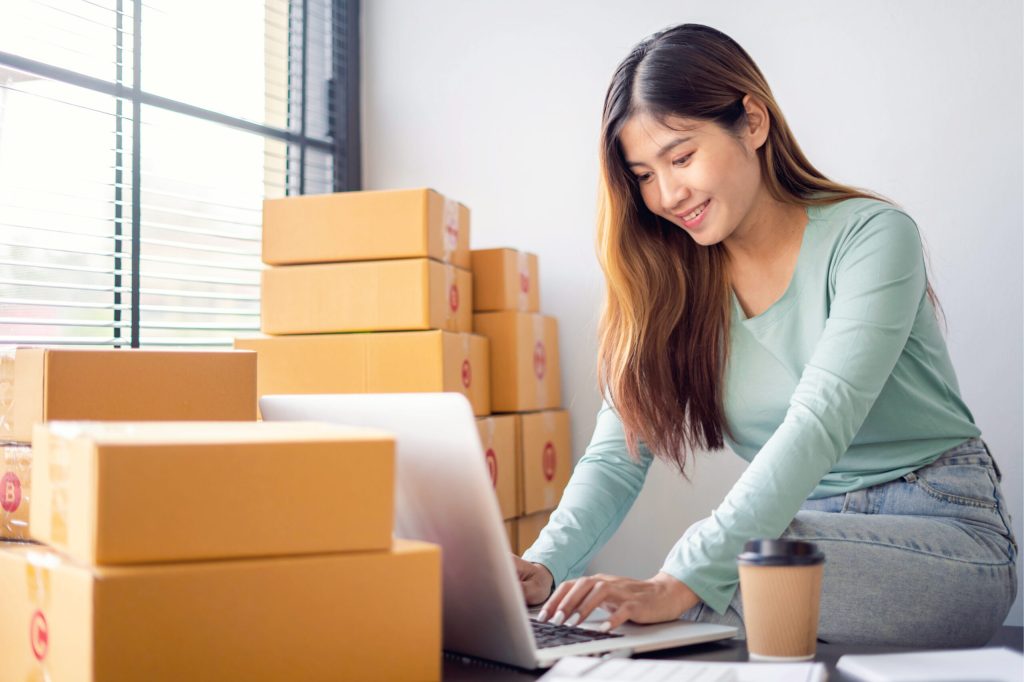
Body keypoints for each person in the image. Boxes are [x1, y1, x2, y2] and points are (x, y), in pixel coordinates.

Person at [511, 23, 1017, 647]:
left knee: (718, 580)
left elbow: (820, 418)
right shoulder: (672, 280)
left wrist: (683, 577)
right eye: (642, 174)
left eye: (682, 156)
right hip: (789, 536)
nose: (667, 194)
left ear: (752, 122)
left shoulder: (874, 237)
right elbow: (620, 451)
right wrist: (544, 565)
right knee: (710, 584)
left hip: (943, 530)